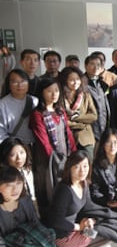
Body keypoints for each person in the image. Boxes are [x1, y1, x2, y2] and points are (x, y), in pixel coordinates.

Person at [48, 150, 117, 247]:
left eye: (85, 166)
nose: (82, 171)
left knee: (111, 227)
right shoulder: (64, 190)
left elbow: (88, 207)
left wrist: (92, 220)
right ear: (69, 168)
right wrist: (79, 227)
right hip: (64, 236)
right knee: (106, 234)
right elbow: (56, 221)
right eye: (77, 167)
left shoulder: (84, 183)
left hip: (78, 229)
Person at [29, 77, 77, 221]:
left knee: (64, 190)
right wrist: (57, 161)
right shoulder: (37, 114)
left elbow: (68, 134)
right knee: (48, 190)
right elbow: (43, 142)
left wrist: (73, 156)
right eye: (49, 91)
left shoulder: (60, 111)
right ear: (41, 93)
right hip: (47, 162)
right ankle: (50, 222)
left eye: (56, 90)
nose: (54, 94)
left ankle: (65, 219)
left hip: (64, 158)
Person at [0, 166, 62, 247]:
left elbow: (36, 225)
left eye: (18, 183)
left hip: (28, 243)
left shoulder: (25, 200)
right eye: (8, 185)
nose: (15, 189)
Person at [61, 66, 97, 159]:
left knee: (88, 165)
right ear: (65, 81)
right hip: (66, 138)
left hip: (85, 138)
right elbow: (62, 120)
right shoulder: (60, 97)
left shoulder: (85, 95)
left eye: (77, 79)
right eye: (72, 80)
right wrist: (81, 124)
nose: (75, 82)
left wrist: (76, 117)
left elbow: (93, 116)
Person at [0, 69, 38, 144]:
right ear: (8, 84)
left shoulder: (35, 101)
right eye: (15, 82)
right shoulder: (2, 105)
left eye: (23, 81)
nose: (20, 85)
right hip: (14, 147)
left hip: (34, 146)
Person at [0, 137, 37, 209]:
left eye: (22, 152)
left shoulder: (26, 170)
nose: (19, 158)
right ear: (5, 156)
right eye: (12, 155)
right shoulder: (4, 178)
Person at [84, 54, 111, 146]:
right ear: (86, 66)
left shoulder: (101, 84)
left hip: (103, 128)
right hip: (89, 130)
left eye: (98, 65)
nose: (96, 67)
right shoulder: (81, 84)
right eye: (92, 64)